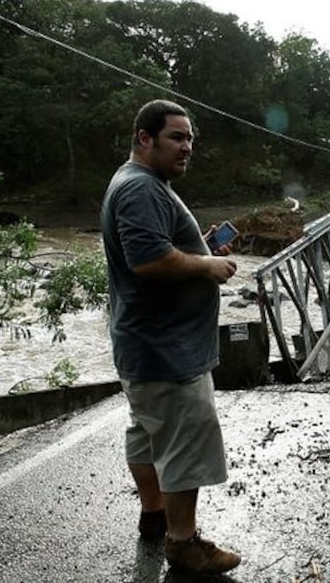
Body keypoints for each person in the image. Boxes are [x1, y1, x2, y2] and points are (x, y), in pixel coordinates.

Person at [100, 99, 241, 575]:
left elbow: (156, 247)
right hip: (166, 350)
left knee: (147, 433)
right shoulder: (140, 188)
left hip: (146, 345)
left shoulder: (140, 183)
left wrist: (200, 247)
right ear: (145, 138)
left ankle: (154, 515)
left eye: (190, 139)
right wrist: (206, 265)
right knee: (185, 440)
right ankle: (183, 542)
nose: (187, 147)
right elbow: (148, 261)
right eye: (176, 137)